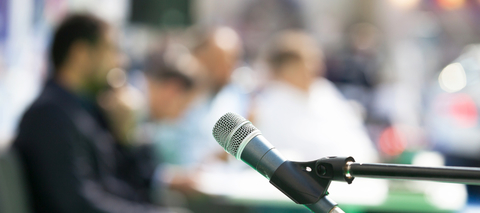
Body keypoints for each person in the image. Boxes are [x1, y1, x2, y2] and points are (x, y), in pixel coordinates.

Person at [13, 14, 184, 213]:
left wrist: (128, 136)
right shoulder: (49, 116)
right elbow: (77, 204)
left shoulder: (87, 111)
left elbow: (131, 188)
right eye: (112, 50)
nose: (121, 61)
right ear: (81, 54)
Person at [252, 30, 378, 162]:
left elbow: (352, 131)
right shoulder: (269, 107)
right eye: (308, 62)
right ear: (286, 68)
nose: (316, 67)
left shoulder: (323, 90)